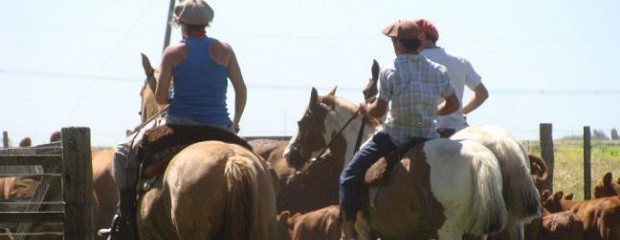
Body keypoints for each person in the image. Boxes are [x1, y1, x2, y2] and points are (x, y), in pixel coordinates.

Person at [104, 0, 247, 239]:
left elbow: (160, 98)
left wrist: (173, 101)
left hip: (178, 126)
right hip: (221, 127)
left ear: (180, 23)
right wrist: (234, 124)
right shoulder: (225, 50)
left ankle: (125, 219)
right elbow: (241, 91)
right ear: (207, 22)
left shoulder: (172, 53)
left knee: (122, 152)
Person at [339, 19, 459, 240]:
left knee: (349, 176)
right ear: (419, 41)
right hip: (428, 136)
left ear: (397, 43)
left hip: (395, 136)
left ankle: (347, 233)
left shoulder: (389, 71)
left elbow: (379, 110)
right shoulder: (438, 70)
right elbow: (454, 105)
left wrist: (366, 107)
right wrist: (432, 111)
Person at [415, 18, 489, 138]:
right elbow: (482, 94)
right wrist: (461, 111)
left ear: (422, 36)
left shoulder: (414, 60)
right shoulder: (460, 59)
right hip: (459, 130)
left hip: (428, 132)